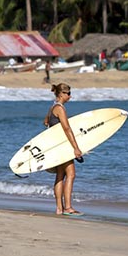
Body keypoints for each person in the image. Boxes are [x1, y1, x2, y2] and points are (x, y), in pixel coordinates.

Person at [43, 83, 83, 216]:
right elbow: (67, 128)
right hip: (63, 146)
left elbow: (46, 122)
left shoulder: (52, 107)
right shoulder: (60, 108)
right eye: (68, 93)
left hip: (55, 146)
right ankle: (68, 207)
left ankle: (59, 208)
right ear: (61, 94)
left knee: (60, 176)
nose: (70, 96)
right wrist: (76, 148)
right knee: (71, 174)